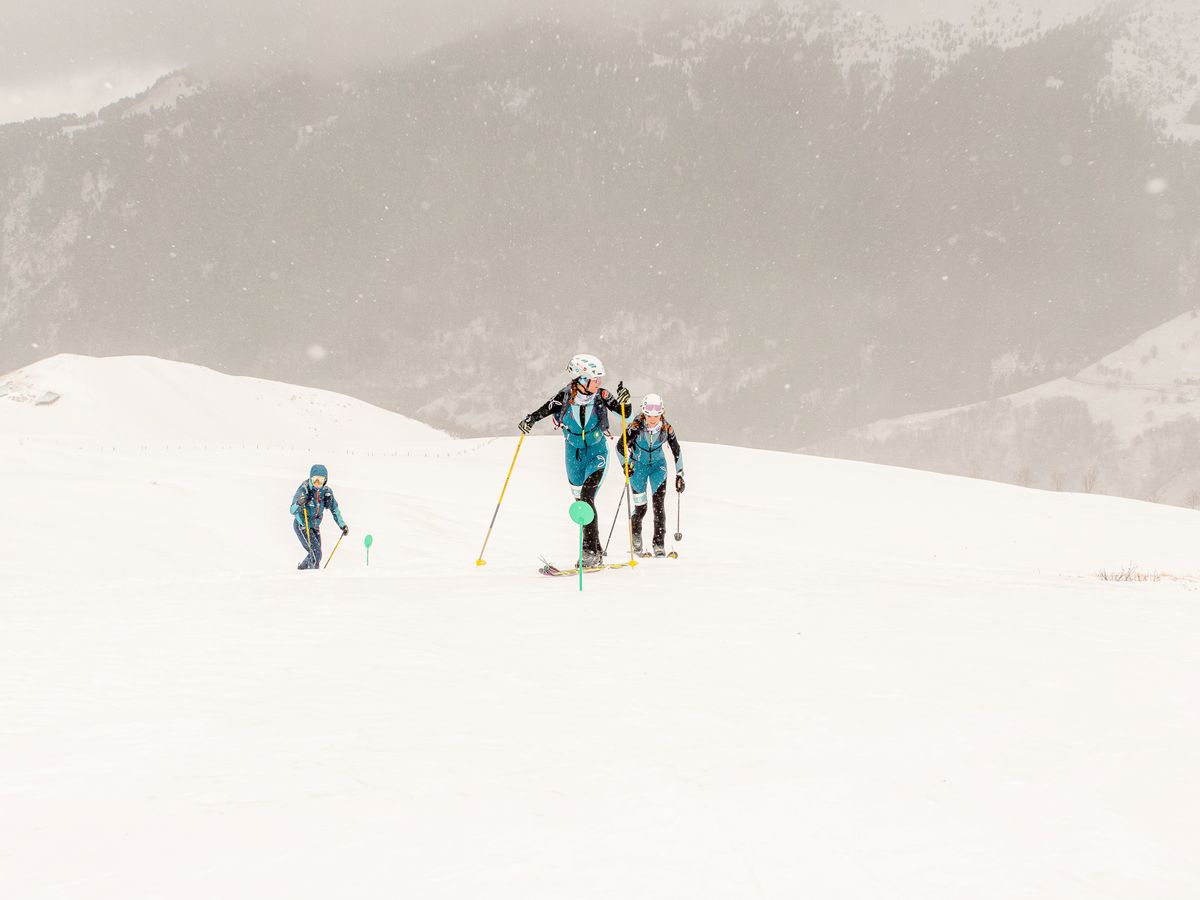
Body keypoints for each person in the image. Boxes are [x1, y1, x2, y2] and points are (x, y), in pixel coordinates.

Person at [519, 354, 631, 567]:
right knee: (582, 504)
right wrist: (530, 420)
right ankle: (597, 550)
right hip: (573, 455)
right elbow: (545, 409)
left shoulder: (602, 396)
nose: (599, 382)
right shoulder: (564, 396)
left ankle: (588, 551)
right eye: (595, 379)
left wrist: (626, 401)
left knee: (587, 498)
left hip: (597, 453)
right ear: (581, 379)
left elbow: (625, 414)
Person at [618, 393, 684, 557]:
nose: (652, 419)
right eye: (649, 416)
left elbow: (676, 450)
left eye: (656, 416)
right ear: (644, 413)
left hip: (658, 468)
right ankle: (636, 540)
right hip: (637, 468)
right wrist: (625, 466)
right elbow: (620, 447)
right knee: (641, 508)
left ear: (661, 413)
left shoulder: (666, 428)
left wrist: (680, 474)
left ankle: (659, 544)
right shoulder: (635, 427)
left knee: (658, 506)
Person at [290, 464, 348, 570]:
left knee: (317, 554)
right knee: (316, 554)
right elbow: (292, 510)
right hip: (302, 525)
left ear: (325, 480)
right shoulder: (304, 489)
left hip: (315, 526)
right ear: (310, 478)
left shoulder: (326, 492)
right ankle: (313, 576)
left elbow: (334, 509)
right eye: (315, 480)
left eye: (320, 480)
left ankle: (302, 569)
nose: (317, 483)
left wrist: (342, 525)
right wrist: (299, 502)